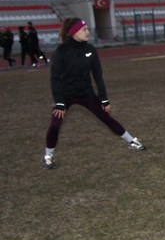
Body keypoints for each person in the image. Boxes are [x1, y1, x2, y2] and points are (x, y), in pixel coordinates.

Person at [43, 18, 145, 169]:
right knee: (55, 125)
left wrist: (104, 99)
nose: (88, 32)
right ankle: (48, 156)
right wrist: (59, 102)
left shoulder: (90, 49)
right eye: (84, 30)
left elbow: (98, 75)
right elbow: (55, 78)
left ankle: (132, 141)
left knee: (106, 118)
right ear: (73, 32)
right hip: (65, 95)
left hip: (86, 93)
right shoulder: (61, 51)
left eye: (87, 29)